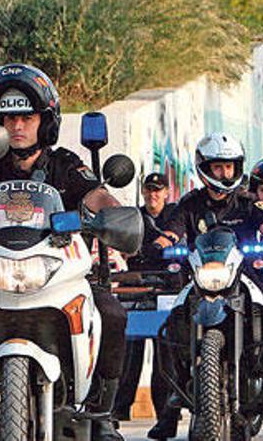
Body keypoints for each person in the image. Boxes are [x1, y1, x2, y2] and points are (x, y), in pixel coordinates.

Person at [0, 63, 127, 441]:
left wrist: (112, 212)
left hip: (55, 276)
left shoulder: (64, 164)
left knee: (111, 313)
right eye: (8, 117)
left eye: (26, 117)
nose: (16, 126)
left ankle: (102, 412)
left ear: (44, 120)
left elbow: (94, 193)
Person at [150, 133, 263, 440]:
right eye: (217, 167)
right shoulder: (191, 204)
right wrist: (159, 243)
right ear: (205, 168)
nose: (224, 174)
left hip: (245, 276)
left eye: (229, 167)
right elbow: (171, 230)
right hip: (201, 279)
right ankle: (176, 395)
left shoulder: (247, 202)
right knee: (171, 324)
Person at [114, 173, 179, 428]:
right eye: (149, 190)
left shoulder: (175, 217)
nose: (153, 195)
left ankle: (166, 414)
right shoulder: (135, 218)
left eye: (158, 190)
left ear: (166, 192)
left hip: (166, 289)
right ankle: (118, 411)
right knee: (129, 353)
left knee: (166, 357)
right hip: (136, 288)